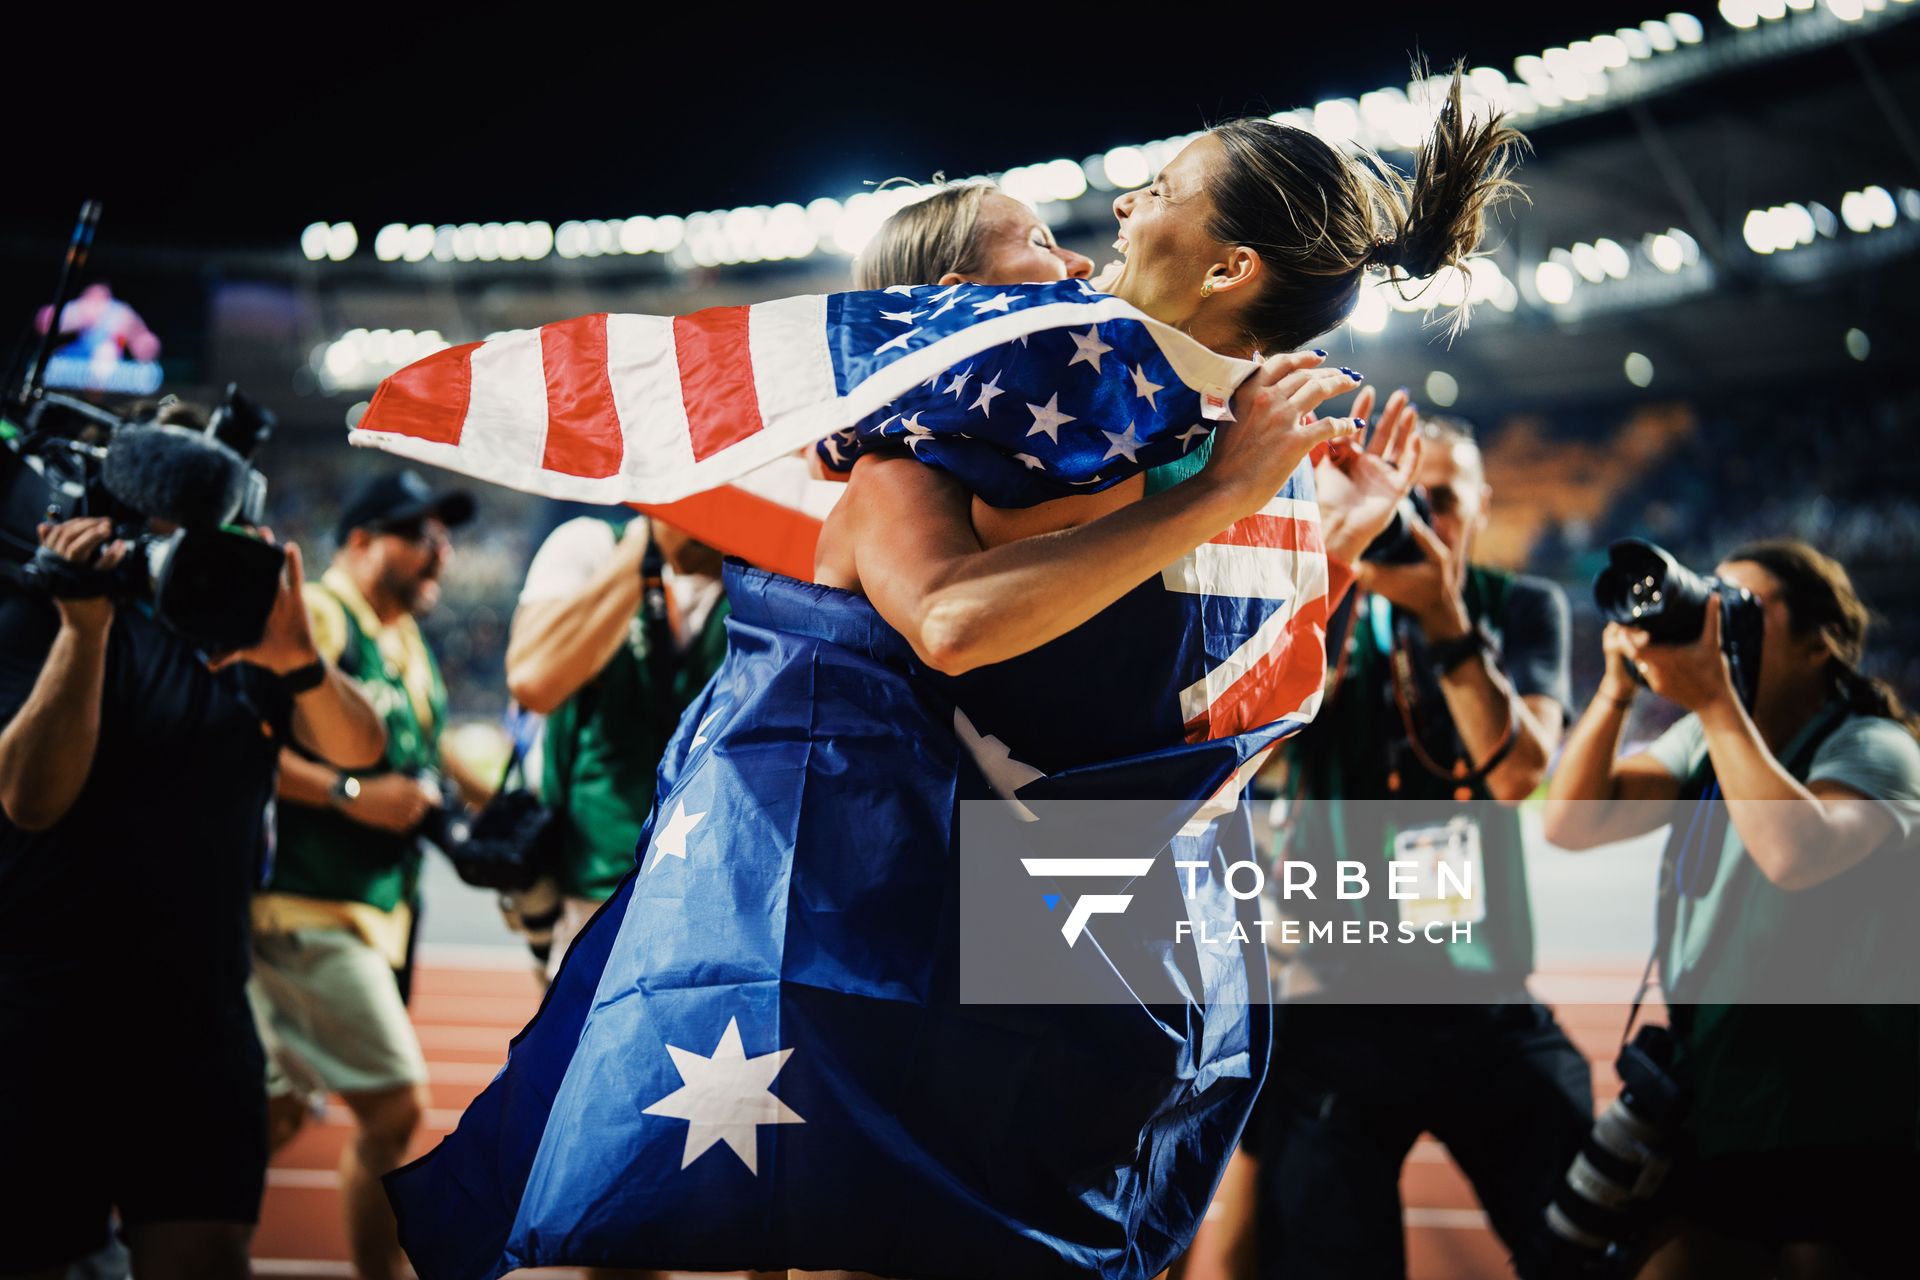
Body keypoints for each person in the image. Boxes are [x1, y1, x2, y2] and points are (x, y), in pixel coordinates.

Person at [388, 70, 1523, 1280]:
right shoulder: (974, 429)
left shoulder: (1195, 441)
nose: (1104, 233)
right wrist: (1244, 503)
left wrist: (1311, 543)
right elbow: (952, 622)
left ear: (1233, 268)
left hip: (1018, 928)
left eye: (1155, 192)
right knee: (792, 1231)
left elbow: (1185, 711)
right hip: (861, 902)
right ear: (952, 300)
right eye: (1037, 247)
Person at [1232, 414, 1589, 1280]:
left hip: (1480, 986)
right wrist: (1327, 574)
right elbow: (1241, 750)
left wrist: (1445, 619)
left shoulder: (1521, 607)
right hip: (1333, 997)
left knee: (1591, 1232)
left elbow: (1519, 777)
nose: (1421, 520)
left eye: (1441, 500)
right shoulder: (1320, 606)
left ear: (1481, 505)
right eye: (1406, 499)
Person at [0, 512, 386, 1280]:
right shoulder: (38, 611)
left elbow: (359, 746)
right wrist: (83, 626)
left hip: (198, 1017)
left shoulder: (239, 628)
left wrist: (302, 659)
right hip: (46, 1017)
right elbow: (29, 797)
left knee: (207, 1255)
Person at [1544, 539, 1920, 1277]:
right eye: (1709, 600)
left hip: (1842, 1115)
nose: (1718, 620)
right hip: (1722, 1100)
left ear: (1821, 647)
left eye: (1742, 610)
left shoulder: (1875, 748)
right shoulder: (1702, 740)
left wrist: (1715, 698)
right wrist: (1619, 690)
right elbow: (1574, 822)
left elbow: (1795, 853)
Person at [247, 469, 484, 1280]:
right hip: (305, 902)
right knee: (395, 1104)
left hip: (375, 908)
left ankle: (164, 1224)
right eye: (418, 535)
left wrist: (502, 803)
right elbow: (242, 741)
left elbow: (425, 751)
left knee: (275, 1111)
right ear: (358, 540)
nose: (439, 553)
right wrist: (349, 793)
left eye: (442, 537)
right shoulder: (318, 614)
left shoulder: (404, 640)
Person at [505, 515, 730, 978]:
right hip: (595, 888)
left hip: (722, 892)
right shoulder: (590, 545)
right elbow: (533, 678)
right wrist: (648, 544)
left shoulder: (770, 564)